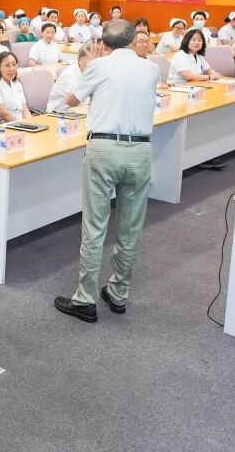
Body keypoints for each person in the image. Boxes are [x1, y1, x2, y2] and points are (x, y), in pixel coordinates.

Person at [54, 19, 159, 323]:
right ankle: (118, 292)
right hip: (140, 150)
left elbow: (70, 100)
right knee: (130, 226)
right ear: (134, 41)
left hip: (103, 149)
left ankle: (85, 298)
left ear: (103, 44)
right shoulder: (151, 69)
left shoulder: (98, 66)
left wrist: (91, 68)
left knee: (95, 226)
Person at [0, 51, 30, 122]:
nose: (12, 69)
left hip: (21, 123)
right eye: (7, 65)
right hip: (4, 124)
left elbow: (25, 110)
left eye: (14, 64)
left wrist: (31, 123)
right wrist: (23, 125)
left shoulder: (17, 84)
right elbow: (4, 114)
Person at [47, 44, 95, 112]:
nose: (92, 67)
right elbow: (77, 102)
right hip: (58, 113)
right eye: (89, 63)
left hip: (77, 111)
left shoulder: (92, 72)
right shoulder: (69, 75)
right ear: (79, 60)